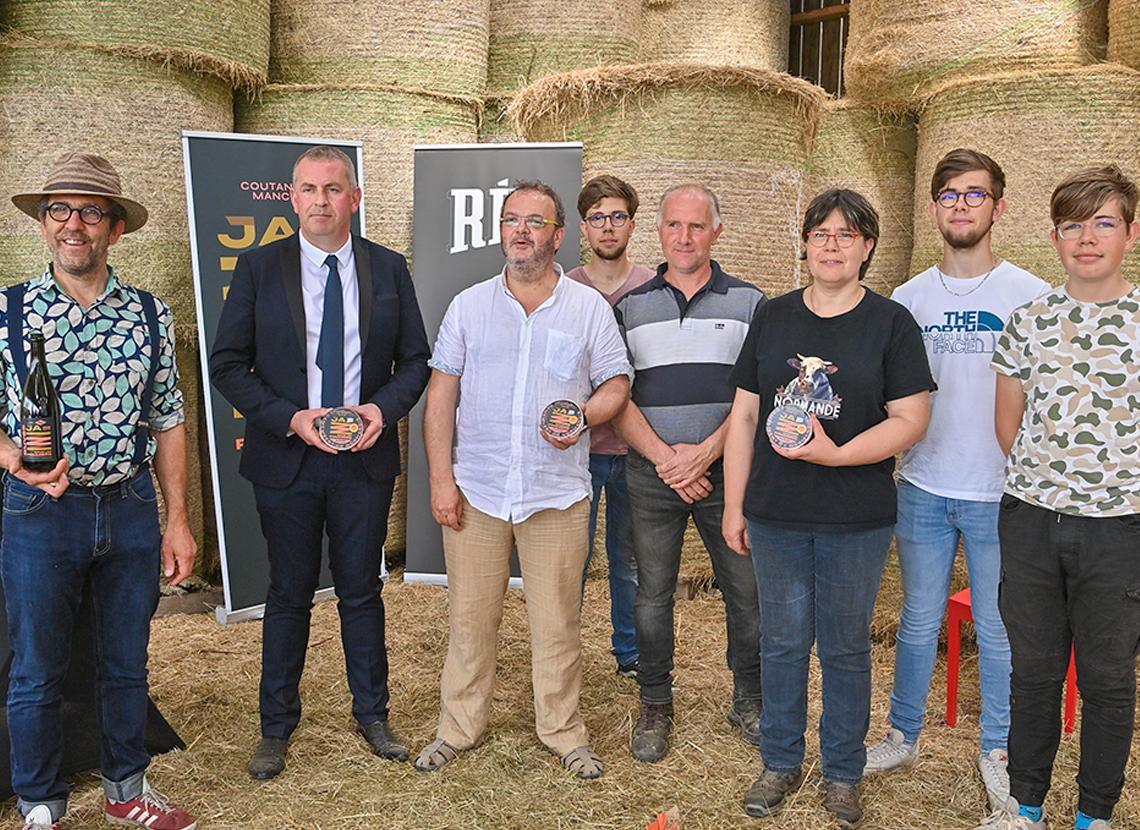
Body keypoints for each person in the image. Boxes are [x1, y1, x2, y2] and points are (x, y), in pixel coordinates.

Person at [209, 146, 430, 780]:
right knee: (288, 594)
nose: (321, 200)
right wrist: (291, 418)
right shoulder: (258, 268)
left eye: (333, 189)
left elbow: (415, 360)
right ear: (293, 198)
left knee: (362, 591)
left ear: (354, 199)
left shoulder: (388, 269)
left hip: (363, 459)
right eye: (308, 189)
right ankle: (276, 727)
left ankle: (374, 716)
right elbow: (227, 364)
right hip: (288, 459)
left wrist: (380, 413)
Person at [722, 188, 934, 827]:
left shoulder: (891, 322)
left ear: (868, 247)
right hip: (776, 513)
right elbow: (745, 415)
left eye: (848, 234)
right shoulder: (774, 315)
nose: (833, 244)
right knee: (782, 643)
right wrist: (735, 506)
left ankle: (842, 771)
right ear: (806, 243)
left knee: (845, 648)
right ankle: (781, 761)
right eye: (822, 233)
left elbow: (912, 418)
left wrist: (835, 455)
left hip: (855, 516)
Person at [1, 152, 197, 830]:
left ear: (116, 229)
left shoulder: (149, 314)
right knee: (36, 670)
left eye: (90, 212)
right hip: (40, 512)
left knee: (124, 664)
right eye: (60, 210)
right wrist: (13, 460)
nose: (73, 224)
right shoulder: (8, 311)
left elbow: (169, 420)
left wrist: (179, 520)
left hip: (131, 506)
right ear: (44, 223)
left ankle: (127, 793)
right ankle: (39, 805)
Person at [415, 181, 631, 781]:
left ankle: (562, 733)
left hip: (556, 493)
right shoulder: (468, 306)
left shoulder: (589, 309)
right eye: (511, 220)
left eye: (534, 222)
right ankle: (458, 729)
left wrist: (584, 416)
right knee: (470, 620)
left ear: (558, 236)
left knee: (558, 623)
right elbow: (441, 398)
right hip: (479, 490)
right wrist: (440, 479)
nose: (520, 231)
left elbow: (617, 383)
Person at [865, 149, 1048, 810]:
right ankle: (902, 735)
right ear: (934, 207)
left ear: (999, 206)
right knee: (917, 622)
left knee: (999, 629)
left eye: (975, 194)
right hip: (923, 488)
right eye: (949, 194)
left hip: (1003, 494)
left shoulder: (1030, 295)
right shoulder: (907, 301)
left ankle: (997, 748)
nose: (961, 205)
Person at [973, 166, 1140, 830]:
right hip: (1034, 521)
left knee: (1106, 680)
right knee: (1035, 672)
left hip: (1120, 530)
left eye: (1104, 222)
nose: (1087, 238)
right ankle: (1027, 805)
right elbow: (1008, 422)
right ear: (1054, 236)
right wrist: (1052, 484)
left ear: (1131, 232)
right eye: (1073, 225)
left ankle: (1095, 813)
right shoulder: (1031, 320)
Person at [613, 183, 765, 764]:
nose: (684, 237)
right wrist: (667, 459)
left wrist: (706, 454)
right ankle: (656, 702)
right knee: (652, 594)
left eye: (697, 226)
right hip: (653, 477)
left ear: (717, 232)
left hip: (730, 473)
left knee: (746, 594)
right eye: (674, 225)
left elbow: (760, 397)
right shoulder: (629, 306)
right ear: (659, 232)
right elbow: (616, 396)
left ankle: (748, 698)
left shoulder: (753, 304)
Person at [566, 174, 655, 680]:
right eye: (597, 218)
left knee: (628, 561)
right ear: (584, 227)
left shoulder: (652, 285)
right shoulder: (565, 287)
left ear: (632, 224)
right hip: (576, 449)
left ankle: (630, 653)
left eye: (616, 216)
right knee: (571, 560)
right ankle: (564, 653)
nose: (607, 227)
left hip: (634, 451)